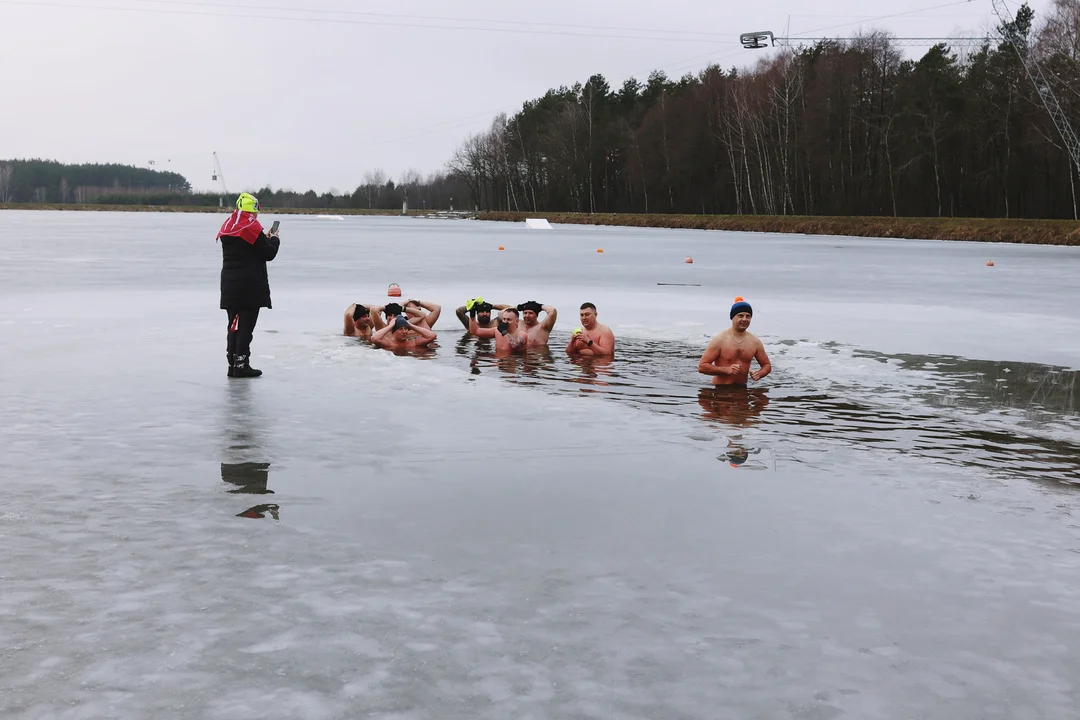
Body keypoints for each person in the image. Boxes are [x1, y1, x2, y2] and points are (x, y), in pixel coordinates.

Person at [218, 192, 280, 378]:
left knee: (234, 325)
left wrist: (264, 239)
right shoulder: (251, 227)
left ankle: (233, 364)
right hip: (249, 287)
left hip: (230, 285)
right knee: (245, 327)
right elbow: (268, 253)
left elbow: (252, 248)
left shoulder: (229, 226)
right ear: (252, 209)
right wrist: (275, 238)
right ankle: (242, 364)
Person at [697, 297, 772, 386]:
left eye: (748, 316)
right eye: (740, 316)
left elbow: (766, 365)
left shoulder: (754, 342)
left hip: (742, 389)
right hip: (720, 389)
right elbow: (702, 366)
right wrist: (726, 370)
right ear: (732, 317)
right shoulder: (720, 340)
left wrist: (759, 374)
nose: (744, 319)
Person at [372, 314, 438, 351]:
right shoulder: (389, 343)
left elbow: (432, 336)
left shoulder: (413, 343)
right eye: (400, 329)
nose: (404, 332)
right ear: (394, 331)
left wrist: (411, 326)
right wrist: (391, 326)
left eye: (406, 329)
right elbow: (374, 338)